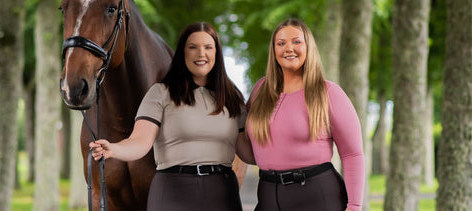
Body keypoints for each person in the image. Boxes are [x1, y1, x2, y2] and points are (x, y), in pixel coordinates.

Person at [90, 22, 254, 211]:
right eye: (193, 47)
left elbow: (247, 151)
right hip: (173, 192)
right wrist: (114, 149)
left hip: (222, 193)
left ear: (216, 53)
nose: (201, 54)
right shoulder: (160, 93)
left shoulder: (232, 98)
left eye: (208, 47)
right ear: (182, 53)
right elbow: (140, 141)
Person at [246, 18, 364, 211]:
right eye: (281, 43)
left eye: (296, 42)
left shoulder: (329, 93)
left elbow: (352, 153)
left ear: (308, 47)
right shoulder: (260, 90)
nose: (288, 48)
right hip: (268, 194)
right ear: (274, 50)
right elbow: (244, 137)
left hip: (316, 196)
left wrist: (354, 206)